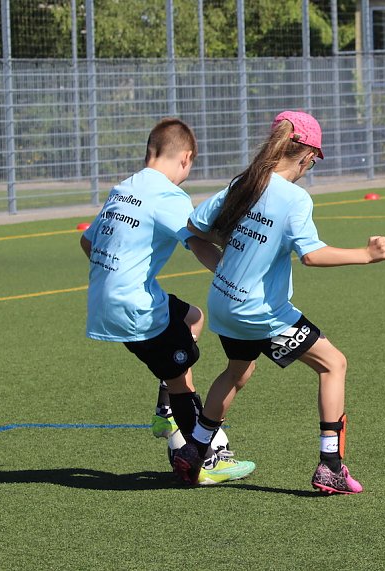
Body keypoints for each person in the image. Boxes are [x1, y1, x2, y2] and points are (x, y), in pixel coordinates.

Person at [173, 110, 385, 494]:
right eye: (314, 159)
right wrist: (366, 254)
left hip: (225, 305)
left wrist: (225, 266)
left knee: (237, 372)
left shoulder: (244, 183)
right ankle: (330, 466)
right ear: (307, 154)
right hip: (261, 313)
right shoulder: (294, 198)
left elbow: (192, 230)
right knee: (333, 364)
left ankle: (194, 450)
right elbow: (311, 255)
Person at [80, 117, 255, 485]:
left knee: (192, 317)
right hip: (136, 308)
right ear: (186, 158)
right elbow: (197, 241)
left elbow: (87, 242)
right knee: (182, 383)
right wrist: (232, 274)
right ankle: (204, 461)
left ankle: (165, 410)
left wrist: (116, 274)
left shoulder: (122, 188)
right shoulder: (166, 194)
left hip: (105, 302)